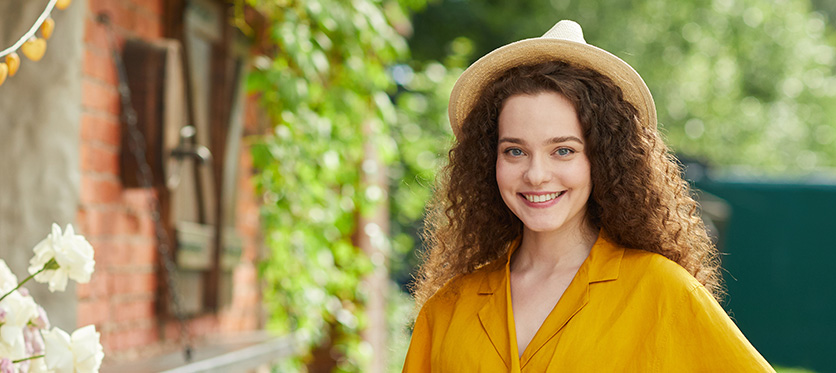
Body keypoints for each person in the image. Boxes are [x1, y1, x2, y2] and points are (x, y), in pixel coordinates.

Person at [403, 20, 774, 372]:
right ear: (488, 160)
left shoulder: (662, 291)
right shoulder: (447, 309)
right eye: (515, 151)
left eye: (563, 150)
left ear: (602, 159)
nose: (536, 174)